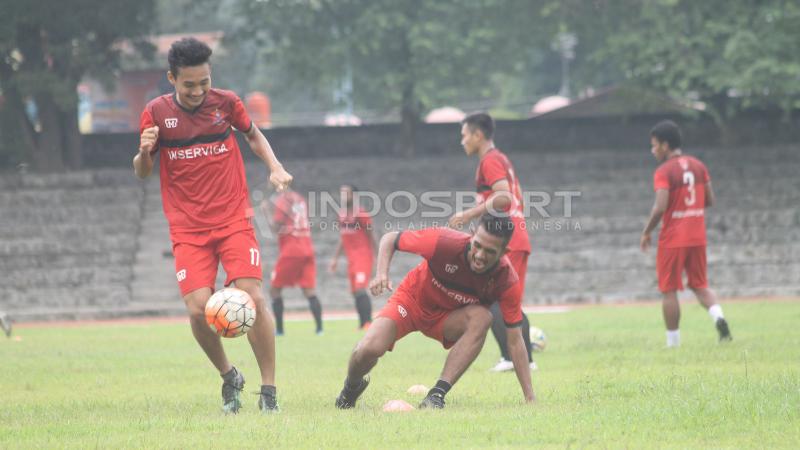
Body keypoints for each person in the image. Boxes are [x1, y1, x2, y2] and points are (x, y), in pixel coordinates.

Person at [133, 37, 292, 413]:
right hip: (188, 228)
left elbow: (253, 135)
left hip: (234, 218)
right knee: (197, 308)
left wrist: (275, 166)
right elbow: (142, 172)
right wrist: (143, 150)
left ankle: (268, 390)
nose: (198, 90)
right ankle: (229, 375)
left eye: (204, 81)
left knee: (251, 295)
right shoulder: (155, 114)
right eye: (189, 84)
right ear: (172, 78)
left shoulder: (226, 103)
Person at [335, 213, 536, 410]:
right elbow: (390, 239)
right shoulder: (443, 242)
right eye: (478, 245)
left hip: (447, 319)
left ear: (504, 251)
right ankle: (351, 388)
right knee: (367, 349)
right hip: (411, 302)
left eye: (490, 251)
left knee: (483, 318)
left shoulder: (506, 280)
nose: (480, 256)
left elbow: (515, 340)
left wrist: (530, 398)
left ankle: (436, 395)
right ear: (472, 233)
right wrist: (381, 274)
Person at [448, 112, 536, 372]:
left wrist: (467, 215)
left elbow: (504, 198)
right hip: (511, 236)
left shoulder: (490, 161)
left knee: (498, 300)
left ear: (478, 135)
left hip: (506, 240)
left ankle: (516, 359)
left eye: (464, 136)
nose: (461, 141)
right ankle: (519, 359)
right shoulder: (500, 158)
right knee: (502, 300)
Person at [640, 120, 732, 347]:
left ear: (665, 145)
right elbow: (710, 200)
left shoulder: (664, 171)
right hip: (697, 236)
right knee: (700, 284)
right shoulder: (698, 166)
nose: (653, 151)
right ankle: (719, 317)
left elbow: (660, 206)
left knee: (669, 289)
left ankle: (673, 343)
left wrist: (646, 231)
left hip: (673, 238)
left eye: (654, 146)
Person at [262, 188, 324, 335]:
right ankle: (320, 329)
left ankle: (280, 330)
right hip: (307, 248)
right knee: (309, 291)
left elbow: (276, 226)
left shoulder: (283, 199)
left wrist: (266, 212)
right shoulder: (300, 198)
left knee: (274, 290)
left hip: (292, 250)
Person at [328, 184, 378, 329]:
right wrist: (335, 259)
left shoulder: (361, 214)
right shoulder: (342, 214)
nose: (344, 196)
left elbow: (371, 235)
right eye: (342, 193)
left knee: (361, 288)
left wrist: (376, 258)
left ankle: (368, 322)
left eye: (347, 193)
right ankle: (362, 324)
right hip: (351, 259)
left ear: (354, 196)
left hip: (363, 257)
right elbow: (342, 238)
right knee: (355, 291)